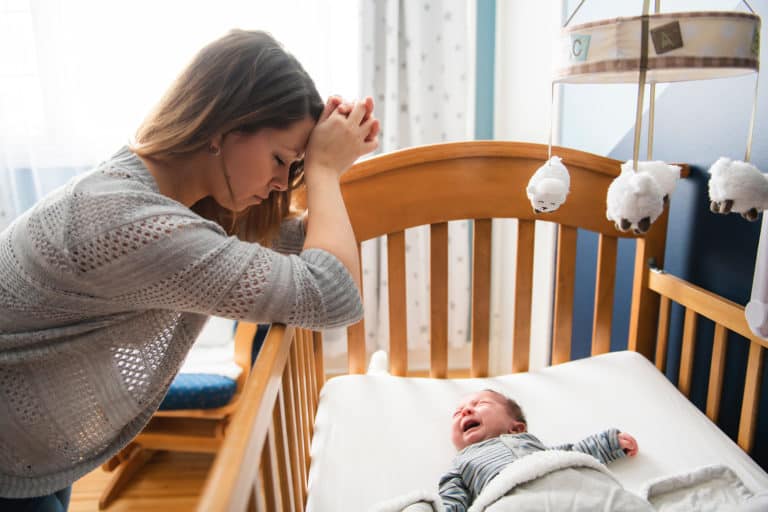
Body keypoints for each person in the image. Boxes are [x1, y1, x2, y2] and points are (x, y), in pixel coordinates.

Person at [0, 29, 379, 510]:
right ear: (224, 128)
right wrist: (323, 172)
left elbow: (306, 244)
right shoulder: (131, 222)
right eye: (280, 160)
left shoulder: (163, 193)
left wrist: (325, 163)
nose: (283, 183)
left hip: (35, 444)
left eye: (295, 170)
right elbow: (334, 294)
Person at [440, 389, 638, 510]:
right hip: (508, 499)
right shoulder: (460, 464)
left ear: (516, 428)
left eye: (480, 404)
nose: (465, 411)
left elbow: (574, 454)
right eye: (458, 413)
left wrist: (610, 443)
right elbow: (452, 502)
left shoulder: (534, 448)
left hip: (564, 487)